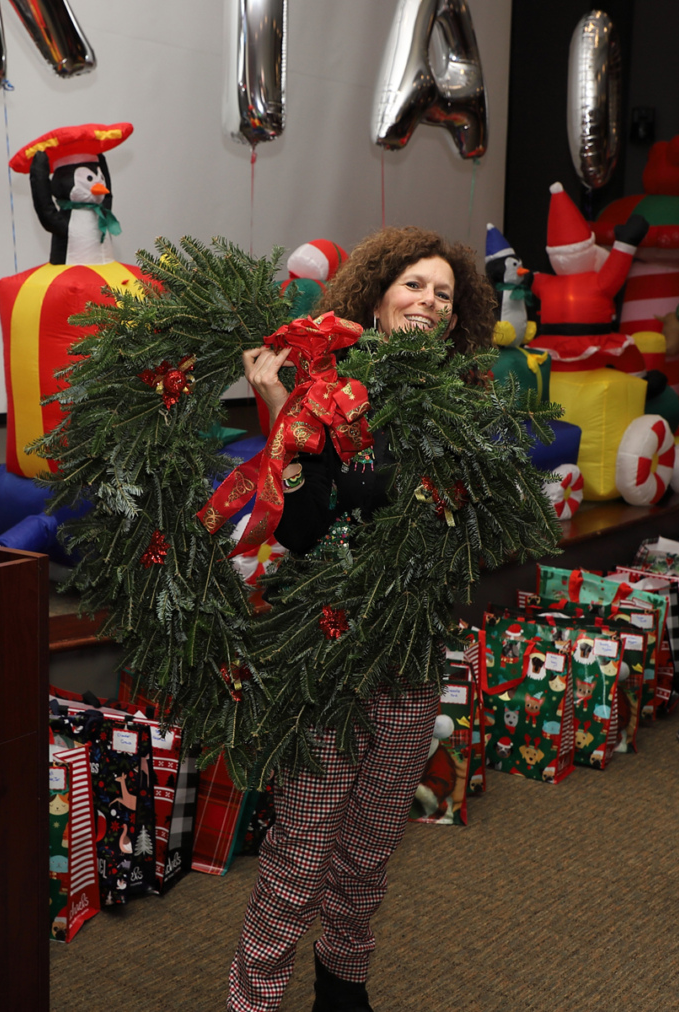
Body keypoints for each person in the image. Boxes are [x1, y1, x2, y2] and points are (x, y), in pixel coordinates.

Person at [227, 226, 496, 1012]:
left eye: (444, 294)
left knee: (372, 847)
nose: (429, 301)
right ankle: (255, 1001)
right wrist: (280, 405)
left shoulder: (461, 409)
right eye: (414, 284)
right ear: (376, 296)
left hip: (411, 656)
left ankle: (342, 993)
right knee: (301, 852)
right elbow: (302, 526)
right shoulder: (330, 389)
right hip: (331, 658)